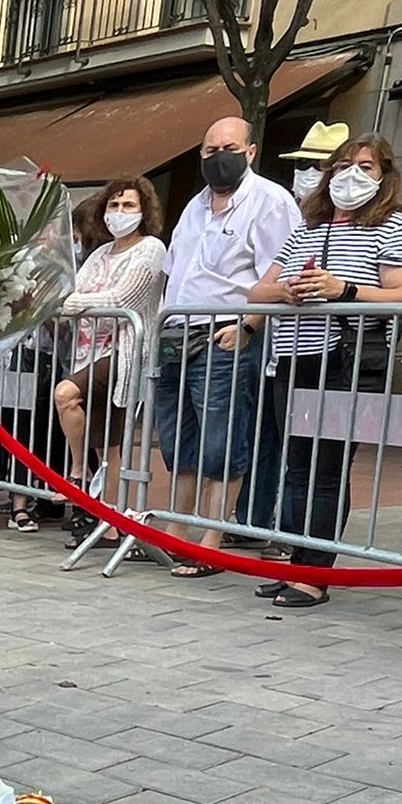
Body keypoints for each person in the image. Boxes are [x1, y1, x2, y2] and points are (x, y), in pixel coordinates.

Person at [242, 133, 402, 610]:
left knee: (327, 469)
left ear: (385, 176)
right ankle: (297, 563)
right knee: (296, 466)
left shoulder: (394, 226)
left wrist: (343, 290)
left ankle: (315, 573)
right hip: (293, 357)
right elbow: (260, 290)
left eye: (365, 166)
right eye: (342, 166)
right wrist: (289, 293)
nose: (351, 175)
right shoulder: (307, 227)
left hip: (345, 363)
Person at [154, 115, 301, 575]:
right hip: (177, 333)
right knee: (180, 437)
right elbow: (177, 272)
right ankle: (178, 528)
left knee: (223, 437)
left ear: (251, 151)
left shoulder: (270, 203)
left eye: (229, 148)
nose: (219, 157)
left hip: (225, 334)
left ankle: (213, 538)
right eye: (210, 149)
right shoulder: (193, 207)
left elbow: (279, 275)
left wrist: (250, 327)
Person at [43, 176, 168, 534]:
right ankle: (106, 518)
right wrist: (69, 303)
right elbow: (76, 289)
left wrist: (71, 305)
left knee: (65, 394)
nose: (119, 212)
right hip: (87, 350)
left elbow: (123, 300)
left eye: (128, 205)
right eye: (113, 205)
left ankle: (78, 473)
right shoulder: (98, 254)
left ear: (143, 211)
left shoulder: (151, 249)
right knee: (105, 437)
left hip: (126, 350)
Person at [283, 121, 348, 206]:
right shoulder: (285, 206)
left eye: (321, 164)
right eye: (303, 162)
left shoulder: (342, 214)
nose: (310, 170)